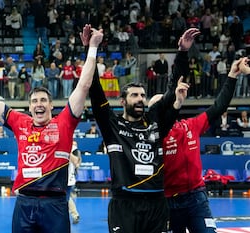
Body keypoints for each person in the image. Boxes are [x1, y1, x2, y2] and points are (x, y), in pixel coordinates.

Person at [0, 24, 103, 233]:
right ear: (30, 106)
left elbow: (83, 85)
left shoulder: (65, 122)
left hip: (55, 205)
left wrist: (93, 48)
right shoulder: (19, 122)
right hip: (24, 203)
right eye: (34, 101)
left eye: (43, 100)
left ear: (51, 105)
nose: (39, 104)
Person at [88, 28, 198, 233]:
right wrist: (91, 48)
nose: (140, 99)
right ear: (122, 101)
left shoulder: (155, 120)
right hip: (124, 204)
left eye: (142, 95)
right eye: (134, 96)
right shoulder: (112, 126)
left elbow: (174, 88)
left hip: (156, 204)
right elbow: (94, 89)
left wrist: (183, 52)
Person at [159, 56, 248, 233]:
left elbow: (218, 107)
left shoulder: (190, 125)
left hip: (196, 197)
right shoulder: (152, 136)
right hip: (166, 201)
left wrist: (232, 75)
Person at [67, 140, 81, 224]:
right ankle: (75, 214)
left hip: (68, 179)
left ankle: (75, 215)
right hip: (59, 178)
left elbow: (76, 162)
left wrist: (67, 150)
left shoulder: (74, 150)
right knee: (66, 198)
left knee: (66, 197)